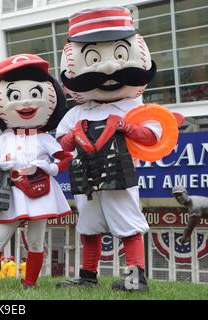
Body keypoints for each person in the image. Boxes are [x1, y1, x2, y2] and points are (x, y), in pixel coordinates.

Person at [55, 7, 162, 291]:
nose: (108, 68)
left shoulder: (134, 107)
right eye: (92, 58)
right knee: (88, 224)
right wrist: (74, 137)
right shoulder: (78, 112)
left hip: (120, 174)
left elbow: (152, 136)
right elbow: (60, 144)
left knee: (127, 222)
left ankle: (135, 276)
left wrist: (127, 128)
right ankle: (88, 276)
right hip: (85, 176)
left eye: (118, 55)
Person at [0, 54, 72, 289]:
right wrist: (0, 165)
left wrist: (49, 167)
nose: (25, 103)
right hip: (13, 192)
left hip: (41, 190)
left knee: (36, 241)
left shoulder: (45, 138)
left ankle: (30, 283)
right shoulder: (3, 139)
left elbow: (64, 157)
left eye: (35, 94)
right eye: (15, 96)